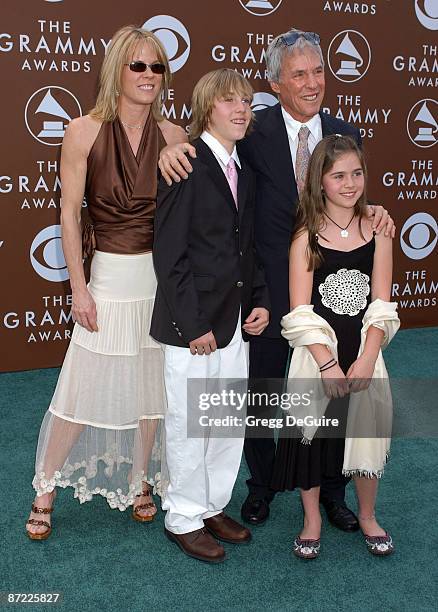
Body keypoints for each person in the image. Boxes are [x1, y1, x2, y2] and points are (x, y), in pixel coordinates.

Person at [158, 28, 395, 530]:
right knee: (260, 396)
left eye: (318, 72)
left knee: (334, 394)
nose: (312, 84)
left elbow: (351, 189)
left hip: (332, 293)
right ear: (275, 83)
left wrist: (372, 210)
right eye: (299, 74)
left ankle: (333, 492)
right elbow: (203, 141)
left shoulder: (345, 130)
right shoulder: (251, 129)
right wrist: (169, 146)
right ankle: (261, 486)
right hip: (265, 291)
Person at [25, 25, 187, 540]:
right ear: (116, 70)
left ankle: (142, 481)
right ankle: (44, 488)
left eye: (156, 66)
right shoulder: (82, 132)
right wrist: (79, 286)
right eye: (137, 65)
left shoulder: (177, 136)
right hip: (109, 280)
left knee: (150, 386)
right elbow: (69, 216)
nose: (147, 75)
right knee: (81, 384)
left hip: (159, 283)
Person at [150, 69, 270, 563]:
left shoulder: (246, 166)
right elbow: (169, 252)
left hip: (236, 320)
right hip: (193, 326)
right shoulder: (186, 164)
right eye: (229, 102)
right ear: (207, 109)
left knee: (224, 421)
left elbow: (248, 247)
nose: (241, 109)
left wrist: (259, 298)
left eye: (246, 100)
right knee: (189, 424)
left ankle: (212, 506)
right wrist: (191, 324)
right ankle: (181, 516)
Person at [271, 134, 399, 558]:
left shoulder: (379, 229)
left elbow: (381, 303)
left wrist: (366, 358)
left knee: (366, 434)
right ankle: (311, 519)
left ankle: (367, 514)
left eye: (357, 173)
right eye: (338, 175)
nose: (350, 184)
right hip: (316, 358)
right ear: (318, 181)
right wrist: (327, 365)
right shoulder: (305, 234)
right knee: (310, 440)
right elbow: (299, 312)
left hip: (364, 353)